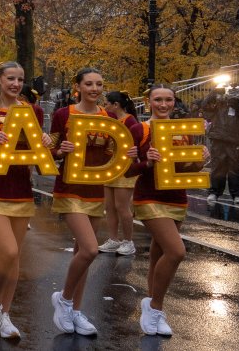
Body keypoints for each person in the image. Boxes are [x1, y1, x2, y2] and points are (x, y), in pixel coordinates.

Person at [0, 61, 49, 340]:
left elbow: (37, 154)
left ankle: (5, 313)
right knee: (9, 252)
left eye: (20, 79)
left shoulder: (34, 111)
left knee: (15, 255)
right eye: (10, 79)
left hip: (21, 190)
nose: (15, 84)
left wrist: (44, 142)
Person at [130, 85, 209, 336]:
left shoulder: (182, 130)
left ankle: (150, 302)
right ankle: (155, 308)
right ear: (148, 102)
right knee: (176, 252)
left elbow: (187, 169)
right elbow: (125, 170)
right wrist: (147, 162)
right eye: (158, 100)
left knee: (160, 252)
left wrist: (200, 159)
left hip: (177, 198)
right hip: (148, 197)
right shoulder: (139, 129)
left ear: (174, 102)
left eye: (168, 100)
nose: (163, 105)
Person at [48, 68, 115, 337]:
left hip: (95, 189)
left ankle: (75, 309)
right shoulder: (64, 114)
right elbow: (49, 149)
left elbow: (113, 150)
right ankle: (64, 299)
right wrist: (58, 150)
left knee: (82, 254)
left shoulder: (107, 116)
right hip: (70, 188)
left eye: (99, 84)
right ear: (78, 86)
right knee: (90, 249)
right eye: (89, 84)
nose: (95, 89)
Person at [99, 91, 139, 256]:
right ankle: (113, 239)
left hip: (125, 168)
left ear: (116, 105)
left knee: (121, 206)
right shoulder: (113, 120)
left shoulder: (129, 120)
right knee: (109, 207)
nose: (105, 106)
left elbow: (134, 143)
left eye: (107, 103)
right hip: (111, 167)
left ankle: (128, 241)